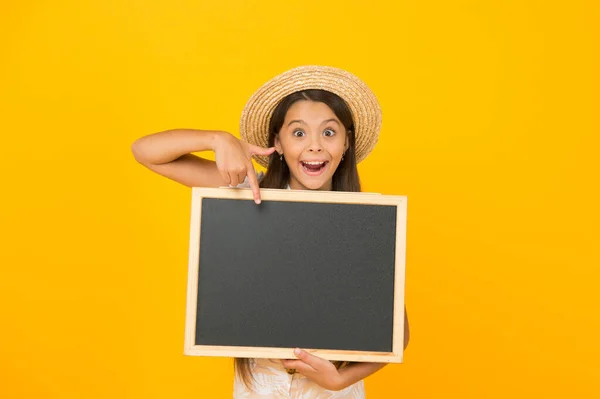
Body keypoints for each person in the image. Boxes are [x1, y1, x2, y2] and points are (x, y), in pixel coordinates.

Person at [131, 65, 410, 398]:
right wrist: (217, 139)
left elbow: (398, 332)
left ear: (347, 142)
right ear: (277, 141)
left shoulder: (365, 222)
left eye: (329, 133)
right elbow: (146, 153)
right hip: (260, 389)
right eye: (298, 133)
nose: (315, 146)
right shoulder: (250, 192)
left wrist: (339, 380)